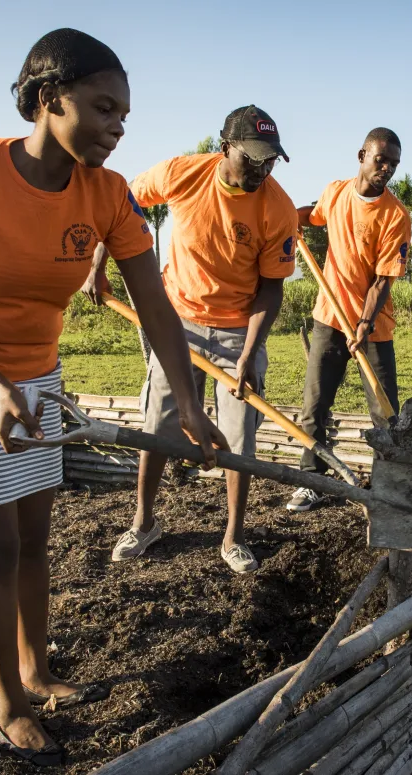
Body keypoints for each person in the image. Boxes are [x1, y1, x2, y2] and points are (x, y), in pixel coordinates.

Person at [0, 28, 224, 767]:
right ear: (50, 99)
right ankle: (8, 704)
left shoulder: (107, 194)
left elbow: (159, 308)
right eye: (103, 108)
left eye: (125, 117)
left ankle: (37, 668)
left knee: (38, 536)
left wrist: (191, 402)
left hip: (34, 375)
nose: (117, 127)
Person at [93, 105, 298, 572]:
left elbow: (271, 288)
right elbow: (119, 203)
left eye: (270, 162)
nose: (262, 171)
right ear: (225, 148)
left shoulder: (278, 208)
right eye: (253, 159)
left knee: (239, 435)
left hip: (236, 332)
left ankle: (234, 536)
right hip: (175, 323)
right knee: (159, 426)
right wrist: (98, 262)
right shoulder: (184, 173)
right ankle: (145, 522)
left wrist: (248, 354)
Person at [287, 128, 411, 513]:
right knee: (315, 405)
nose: (386, 168)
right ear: (362, 156)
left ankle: (389, 488)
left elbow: (381, 280)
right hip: (329, 318)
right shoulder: (336, 192)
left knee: (383, 411)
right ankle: (312, 480)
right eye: (381, 160)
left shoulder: (395, 215)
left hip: (373, 328)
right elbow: (314, 214)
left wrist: (363, 325)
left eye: (393, 163)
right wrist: (289, 218)